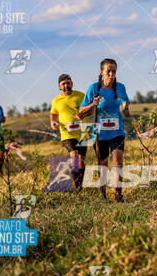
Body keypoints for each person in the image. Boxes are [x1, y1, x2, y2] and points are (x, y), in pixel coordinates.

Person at [78, 58, 130, 202]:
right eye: (109, 71)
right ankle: (103, 194)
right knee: (103, 165)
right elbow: (81, 110)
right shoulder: (94, 88)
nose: (112, 74)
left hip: (117, 131)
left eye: (114, 71)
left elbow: (124, 100)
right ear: (102, 72)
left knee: (118, 162)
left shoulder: (119, 87)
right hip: (100, 134)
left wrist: (125, 108)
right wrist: (91, 105)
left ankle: (118, 194)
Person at [50, 73, 88, 190]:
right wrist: (53, 123)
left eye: (68, 83)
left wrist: (83, 115)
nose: (66, 85)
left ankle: (80, 186)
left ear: (72, 83)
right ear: (59, 86)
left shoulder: (81, 96)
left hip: (82, 133)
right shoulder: (56, 100)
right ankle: (77, 188)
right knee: (74, 157)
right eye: (63, 84)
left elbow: (90, 110)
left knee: (81, 163)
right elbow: (53, 114)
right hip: (67, 134)